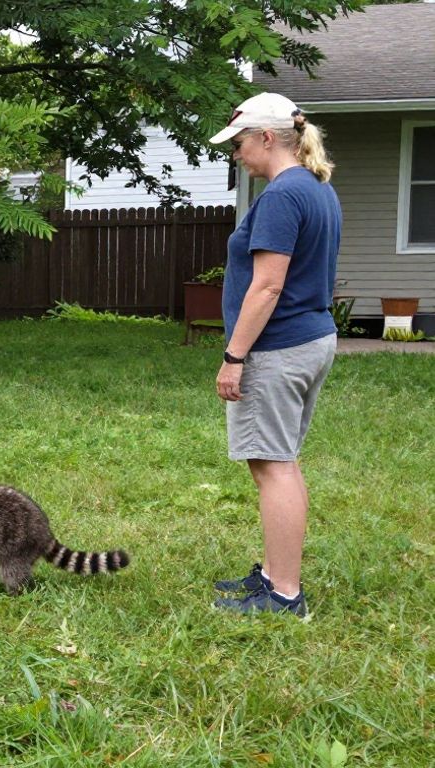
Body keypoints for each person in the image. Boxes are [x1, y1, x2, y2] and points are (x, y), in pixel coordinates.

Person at [206, 92, 341, 618]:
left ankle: (284, 595)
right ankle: (272, 576)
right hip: (310, 338)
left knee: (273, 467)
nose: (236, 154)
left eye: (239, 143)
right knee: (279, 463)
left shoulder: (284, 196)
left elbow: (267, 286)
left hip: (278, 347)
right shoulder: (316, 188)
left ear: (266, 137)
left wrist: (234, 356)